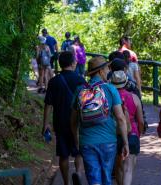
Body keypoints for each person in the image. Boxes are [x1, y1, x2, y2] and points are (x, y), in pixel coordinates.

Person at [71, 56, 129, 185]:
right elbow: (120, 118)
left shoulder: (80, 90)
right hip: (108, 141)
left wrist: (77, 141)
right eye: (107, 67)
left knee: (93, 178)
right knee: (106, 176)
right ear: (100, 71)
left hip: (87, 141)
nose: (109, 70)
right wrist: (125, 142)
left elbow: (74, 121)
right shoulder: (110, 89)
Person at [42, 52, 85, 185]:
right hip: (78, 123)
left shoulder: (54, 81)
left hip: (60, 122)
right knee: (78, 152)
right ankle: (78, 173)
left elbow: (48, 104)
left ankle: (66, 182)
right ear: (73, 63)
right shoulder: (80, 80)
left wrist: (45, 124)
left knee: (63, 154)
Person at [111, 70, 144, 185]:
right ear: (126, 82)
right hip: (132, 133)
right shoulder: (134, 97)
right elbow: (140, 120)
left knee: (118, 167)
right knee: (128, 169)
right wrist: (139, 134)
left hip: (113, 134)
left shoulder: (108, 97)